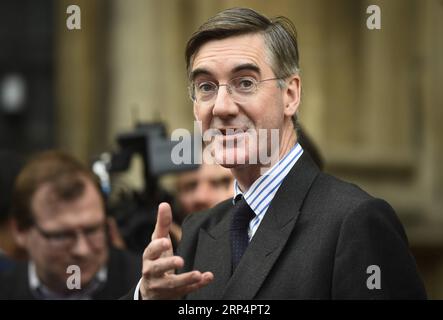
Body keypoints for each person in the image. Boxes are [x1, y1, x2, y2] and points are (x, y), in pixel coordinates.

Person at [130, 7, 426, 299]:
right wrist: (146, 296)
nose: (221, 106)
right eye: (206, 87)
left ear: (291, 95)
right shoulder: (197, 230)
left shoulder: (355, 221)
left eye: (245, 83)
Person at [0, 151, 141, 299]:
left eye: (92, 230)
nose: (82, 250)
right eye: (62, 236)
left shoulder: (149, 285)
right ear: (21, 230)